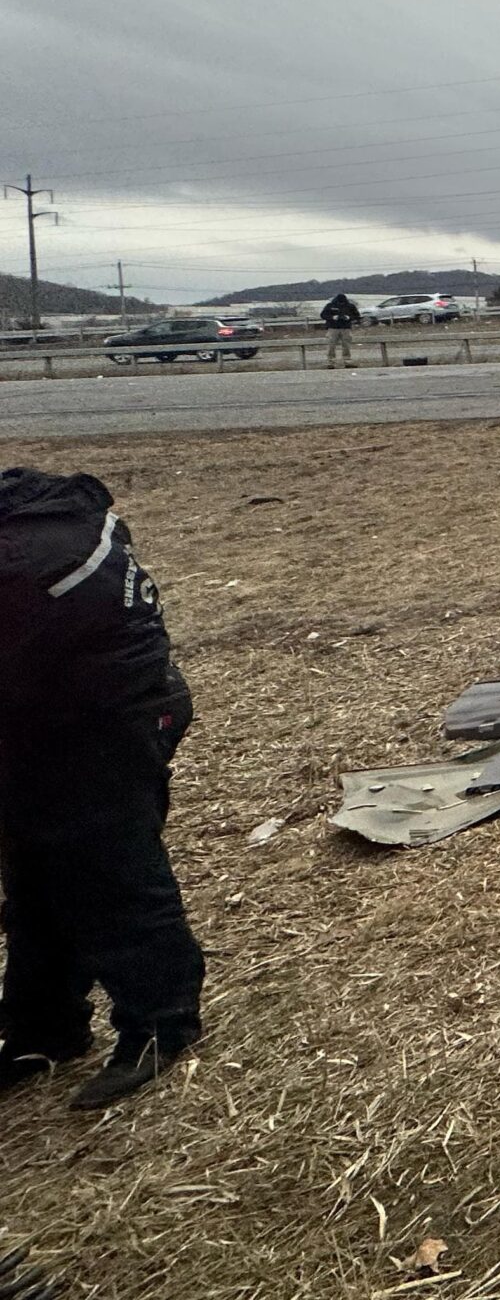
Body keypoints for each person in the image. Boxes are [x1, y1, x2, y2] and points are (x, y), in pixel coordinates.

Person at [0, 469, 205, 1108]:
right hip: (49, 720)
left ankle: (160, 1026)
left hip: (108, 721)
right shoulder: (41, 525)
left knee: (114, 876)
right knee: (35, 877)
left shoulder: (26, 555)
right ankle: (44, 1029)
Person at [321, 291, 359, 368]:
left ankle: (347, 361)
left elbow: (357, 315)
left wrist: (349, 317)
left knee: (346, 345)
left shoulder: (350, 306)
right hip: (333, 328)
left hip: (346, 328)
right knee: (331, 345)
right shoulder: (330, 306)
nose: (341, 303)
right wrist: (332, 317)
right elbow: (323, 315)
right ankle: (330, 362)